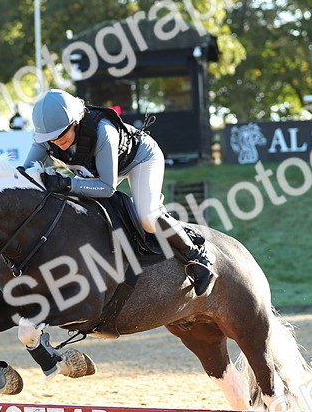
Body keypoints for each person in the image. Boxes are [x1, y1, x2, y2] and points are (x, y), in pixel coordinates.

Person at [23, 89, 215, 295]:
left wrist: (67, 183)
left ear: (75, 122)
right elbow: (26, 173)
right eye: (49, 138)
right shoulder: (47, 137)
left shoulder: (103, 131)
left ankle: (197, 256)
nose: (55, 141)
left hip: (140, 159)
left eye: (60, 134)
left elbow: (107, 187)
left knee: (147, 216)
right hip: (95, 171)